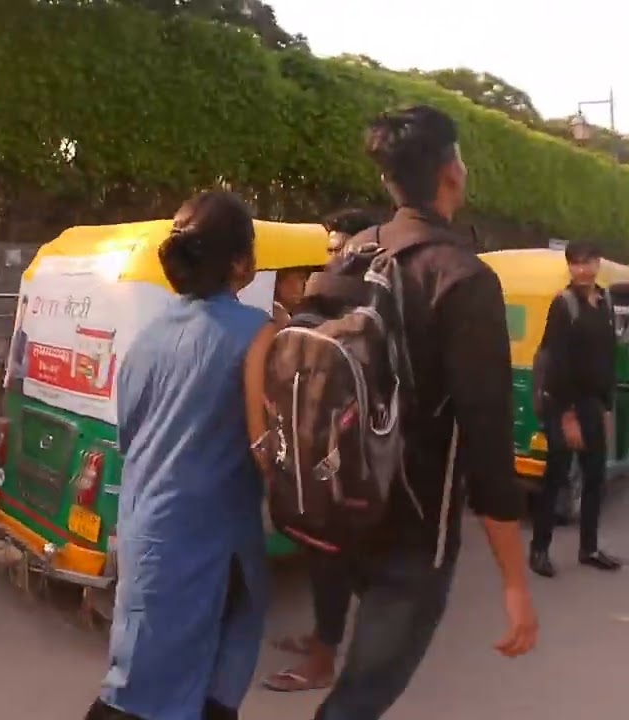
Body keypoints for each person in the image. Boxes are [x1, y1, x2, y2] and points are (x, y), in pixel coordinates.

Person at [300, 106, 537, 720]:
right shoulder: (462, 279)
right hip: (411, 528)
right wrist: (514, 582)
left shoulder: (352, 255)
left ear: (389, 180)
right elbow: (487, 442)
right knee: (359, 699)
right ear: (453, 171)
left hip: (338, 502)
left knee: (360, 682)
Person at [86, 191, 272, 720]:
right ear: (240, 262)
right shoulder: (258, 335)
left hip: (146, 529)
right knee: (145, 696)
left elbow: (132, 435)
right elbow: (269, 453)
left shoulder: (148, 336)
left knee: (147, 676)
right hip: (206, 545)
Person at [263, 207, 382, 693]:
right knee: (323, 552)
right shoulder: (333, 297)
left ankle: (325, 659)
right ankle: (327, 638)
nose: (333, 256)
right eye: (330, 248)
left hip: (355, 454)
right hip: (316, 443)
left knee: (335, 554)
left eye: (342, 246)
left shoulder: (373, 300)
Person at [530, 241, 622, 575]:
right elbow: (557, 365)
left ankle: (589, 548)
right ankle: (539, 548)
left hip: (593, 404)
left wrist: (608, 408)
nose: (583, 269)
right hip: (562, 403)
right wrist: (568, 419)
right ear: (569, 267)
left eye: (588, 262)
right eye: (576, 263)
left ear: (598, 264)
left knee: (595, 477)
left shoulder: (605, 300)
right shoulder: (563, 305)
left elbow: (608, 357)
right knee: (555, 477)